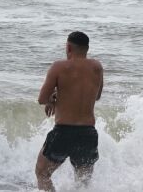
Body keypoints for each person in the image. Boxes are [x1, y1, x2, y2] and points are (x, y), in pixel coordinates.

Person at [35, 31, 104, 191]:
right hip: (88, 133)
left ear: (68, 47)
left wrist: (52, 98)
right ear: (87, 49)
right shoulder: (97, 67)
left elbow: (41, 99)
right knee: (83, 182)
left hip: (64, 132)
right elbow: (97, 96)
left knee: (42, 173)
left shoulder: (59, 66)